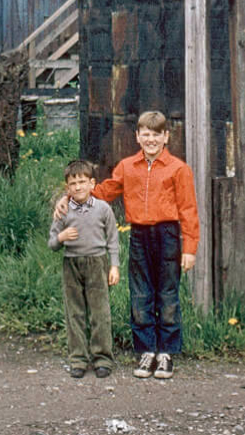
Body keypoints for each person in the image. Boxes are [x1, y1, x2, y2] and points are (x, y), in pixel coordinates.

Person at [55, 111, 199, 379]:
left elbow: (189, 210)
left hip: (168, 235)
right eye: (146, 134)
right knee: (141, 293)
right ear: (137, 136)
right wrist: (70, 196)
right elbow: (104, 191)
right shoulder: (127, 166)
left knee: (167, 294)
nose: (151, 139)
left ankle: (166, 352)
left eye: (157, 134)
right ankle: (146, 350)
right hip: (140, 235)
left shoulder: (179, 169)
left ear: (166, 136)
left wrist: (189, 248)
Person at [48, 159, 120, 379]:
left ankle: (102, 358)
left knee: (100, 313)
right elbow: (51, 243)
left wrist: (114, 265)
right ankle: (78, 359)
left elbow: (113, 239)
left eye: (82, 182)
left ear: (92, 183)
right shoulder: (63, 211)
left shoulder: (102, 208)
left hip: (97, 263)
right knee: (75, 312)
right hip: (71, 263)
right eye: (73, 183)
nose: (78, 187)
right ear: (67, 188)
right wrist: (61, 237)